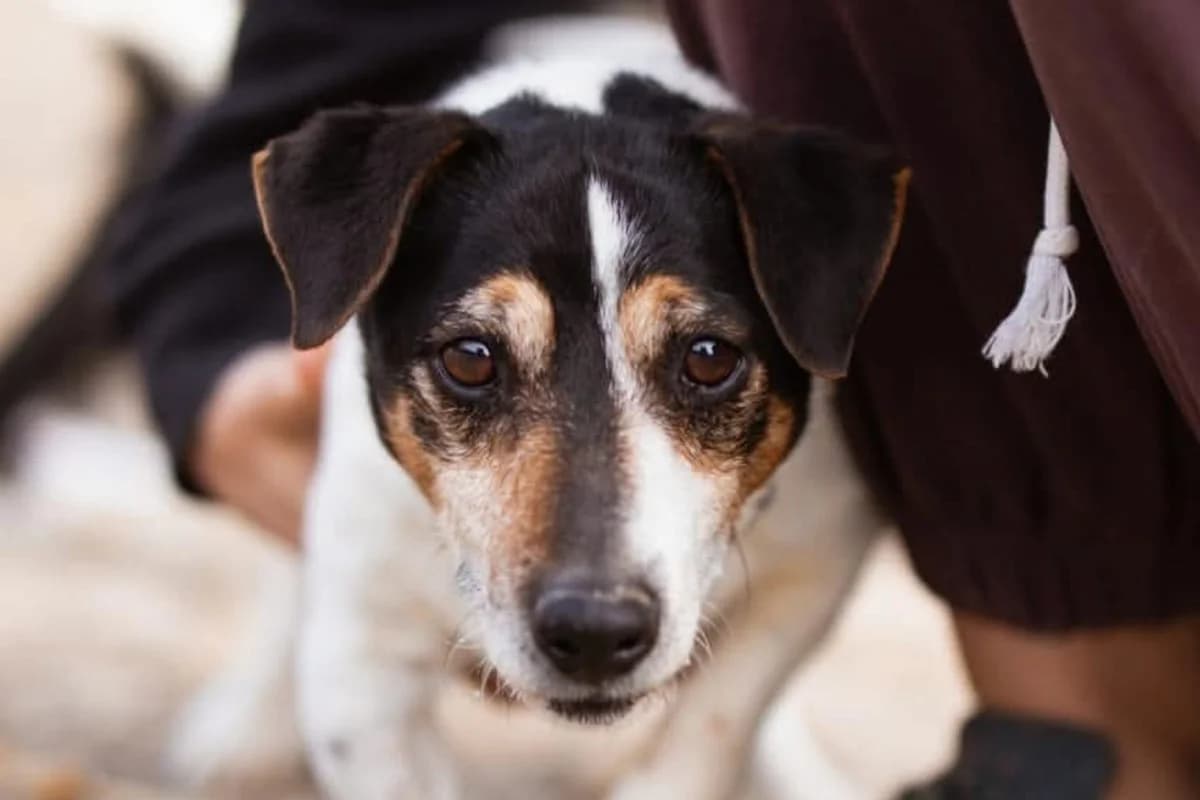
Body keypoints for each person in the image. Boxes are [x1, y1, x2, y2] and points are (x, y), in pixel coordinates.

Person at [105, 1, 1200, 797]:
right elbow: (362, 696)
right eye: (479, 366)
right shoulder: (368, 331)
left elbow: (807, 560)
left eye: (707, 365)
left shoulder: (824, 434)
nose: (589, 582)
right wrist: (210, 373)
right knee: (346, 626)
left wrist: (694, 764)